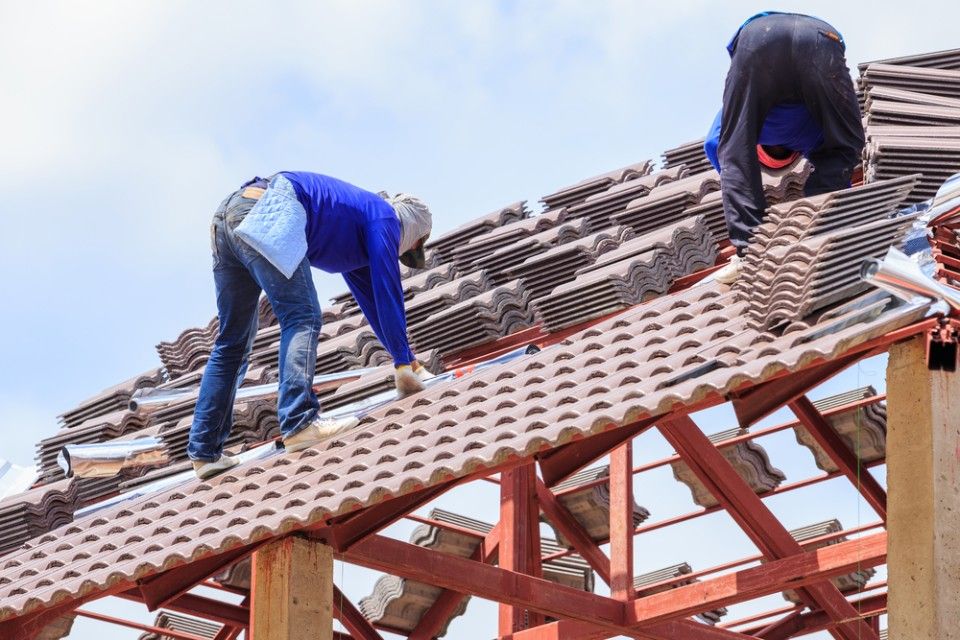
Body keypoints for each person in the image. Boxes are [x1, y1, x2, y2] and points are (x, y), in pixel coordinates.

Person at [187, 172, 433, 479]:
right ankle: (299, 422)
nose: (400, 253)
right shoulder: (384, 217)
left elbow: (373, 301)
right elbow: (388, 287)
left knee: (232, 341)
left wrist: (406, 359)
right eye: (408, 248)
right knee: (302, 316)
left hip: (229, 218)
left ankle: (205, 452)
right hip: (264, 209)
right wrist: (402, 366)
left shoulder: (356, 231)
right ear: (413, 231)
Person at [704, 12, 865, 284]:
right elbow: (842, 159)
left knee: (734, 152)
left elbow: (729, 156)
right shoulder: (814, 137)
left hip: (758, 39)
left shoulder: (736, 120)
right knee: (847, 142)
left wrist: (750, 234)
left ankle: (750, 252)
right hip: (820, 36)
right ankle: (823, 221)